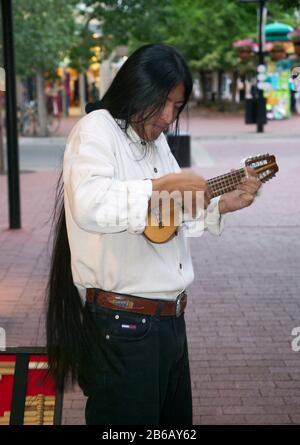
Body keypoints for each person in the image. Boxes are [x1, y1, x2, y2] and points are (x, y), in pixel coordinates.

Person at [46, 43, 261, 425]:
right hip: (124, 327)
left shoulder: (156, 142)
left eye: (177, 107)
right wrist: (158, 188)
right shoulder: (96, 130)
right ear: (136, 88)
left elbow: (169, 215)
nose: (167, 116)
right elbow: (90, 204)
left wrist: (222, 204)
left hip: (168, 322)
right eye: (162, 102)